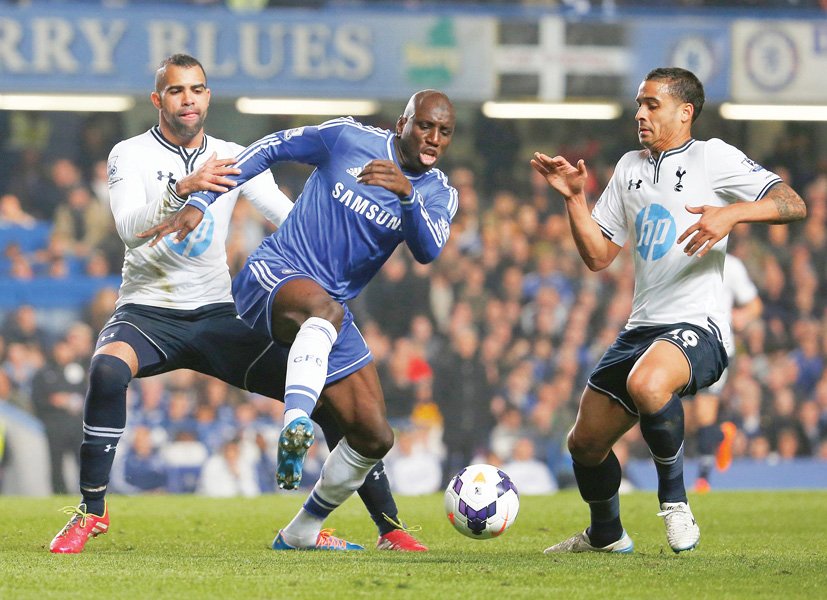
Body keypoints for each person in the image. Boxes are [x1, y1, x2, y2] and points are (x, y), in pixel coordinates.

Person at [49, 54, 427, 554]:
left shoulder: (231, 154)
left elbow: (284, 215)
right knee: (106, 370)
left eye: (198, 89)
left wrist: (336, 240)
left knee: (328, 397)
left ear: (208, 96)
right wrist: (183, 188)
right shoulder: (129, 154)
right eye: (178, 90)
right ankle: (91, 511)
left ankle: (390, 527)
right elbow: (127, 227)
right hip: (148, 312)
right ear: (157, 99)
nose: (189, 99)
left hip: (220, 313)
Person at [142, 88, 457, 550]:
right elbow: (271, 149)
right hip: (274, 273)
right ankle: (296, 423)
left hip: (329, 311)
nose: (432, 138)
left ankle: (301, 532)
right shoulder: (346, 138)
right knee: (324, 311)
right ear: (401, 125)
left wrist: (407, 196)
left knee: (374, 437)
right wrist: (201, 201)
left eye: (443, 132)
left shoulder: (437, 192)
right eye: (424, 126)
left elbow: (428, 251)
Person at [532, 67, 806, 555]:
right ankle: (607, 535)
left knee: (648, 383)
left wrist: (733, 211)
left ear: (685, 112)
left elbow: (792, 202)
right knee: (584, 444)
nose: (640, 113)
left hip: (699, 327)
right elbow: (598, 256)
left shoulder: (712, 157)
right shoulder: (628, 168)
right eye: (639, 103)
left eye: (652, 104)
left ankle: (676, 505)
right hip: (642, 327)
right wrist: (575, 199)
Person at [689, 253, 762, 493]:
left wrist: (741, 316)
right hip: (684, 345)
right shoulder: (684, 259)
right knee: (688, 418)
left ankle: (703, 479)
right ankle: (720, 436)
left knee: (704, 411)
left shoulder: (731, 265)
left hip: (718, 348)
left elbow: (754, 304)